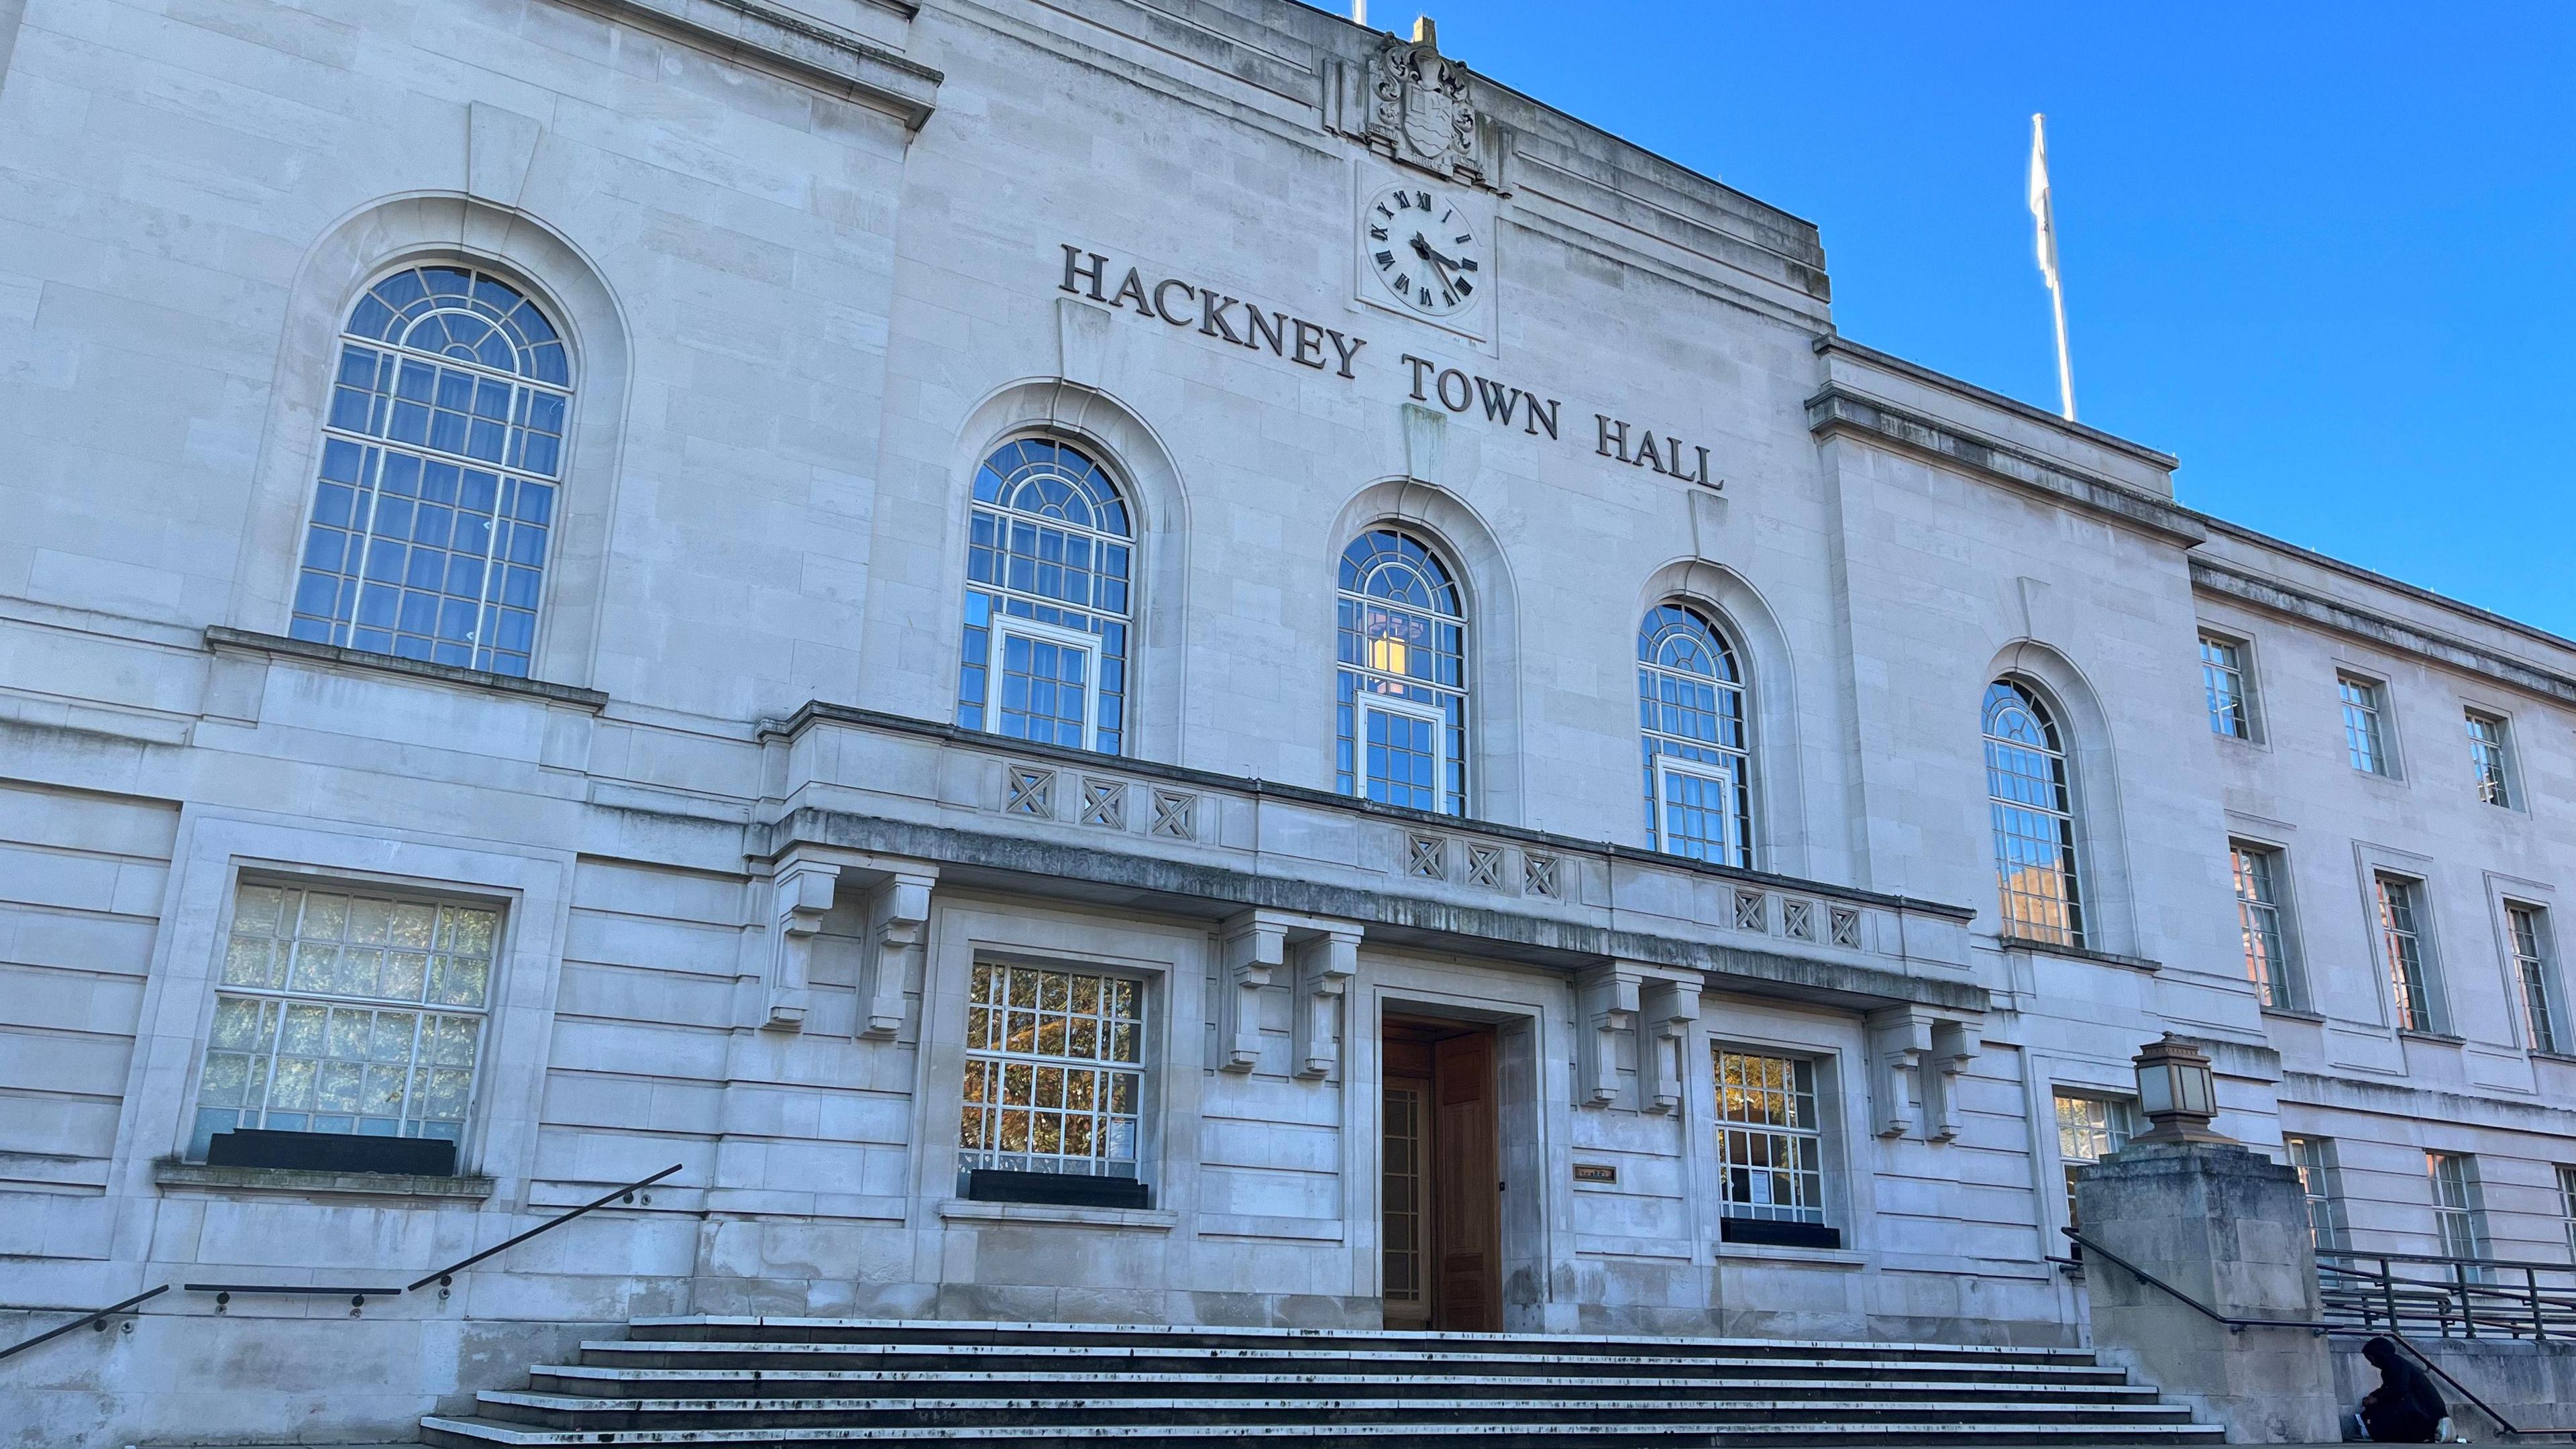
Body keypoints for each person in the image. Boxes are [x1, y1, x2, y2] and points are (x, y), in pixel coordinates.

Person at [2351, 1336, 2449, 1443]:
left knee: (2380, 1410)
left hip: (2427, 1413)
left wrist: (2377, 1399)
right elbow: (2389, 1387)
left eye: (2371, 1359)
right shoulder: (2394, 1365)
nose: (2372, 1364)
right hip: (2426, 1412)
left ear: (2378, 1355)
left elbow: (2399, 1388)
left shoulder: (2396, 1364)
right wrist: (2374, 1396)